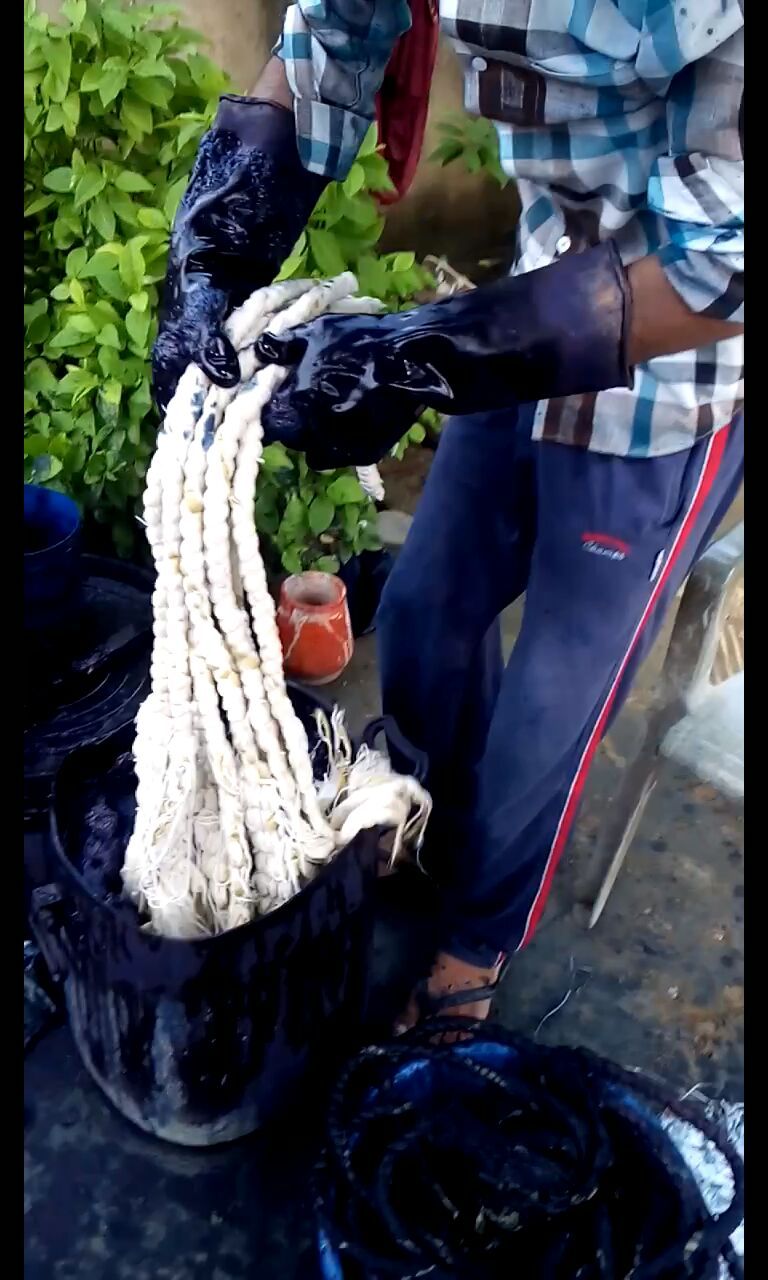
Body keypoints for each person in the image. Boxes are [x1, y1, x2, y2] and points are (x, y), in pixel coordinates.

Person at [153, 2, 744, 1028]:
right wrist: (220, 246)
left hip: (672, 375)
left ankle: (477, 942)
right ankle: (424, 826)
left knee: (555, 702)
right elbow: (333, 36)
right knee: (424, 613)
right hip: (529, 300)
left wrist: (413, 356)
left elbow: (719, 269)